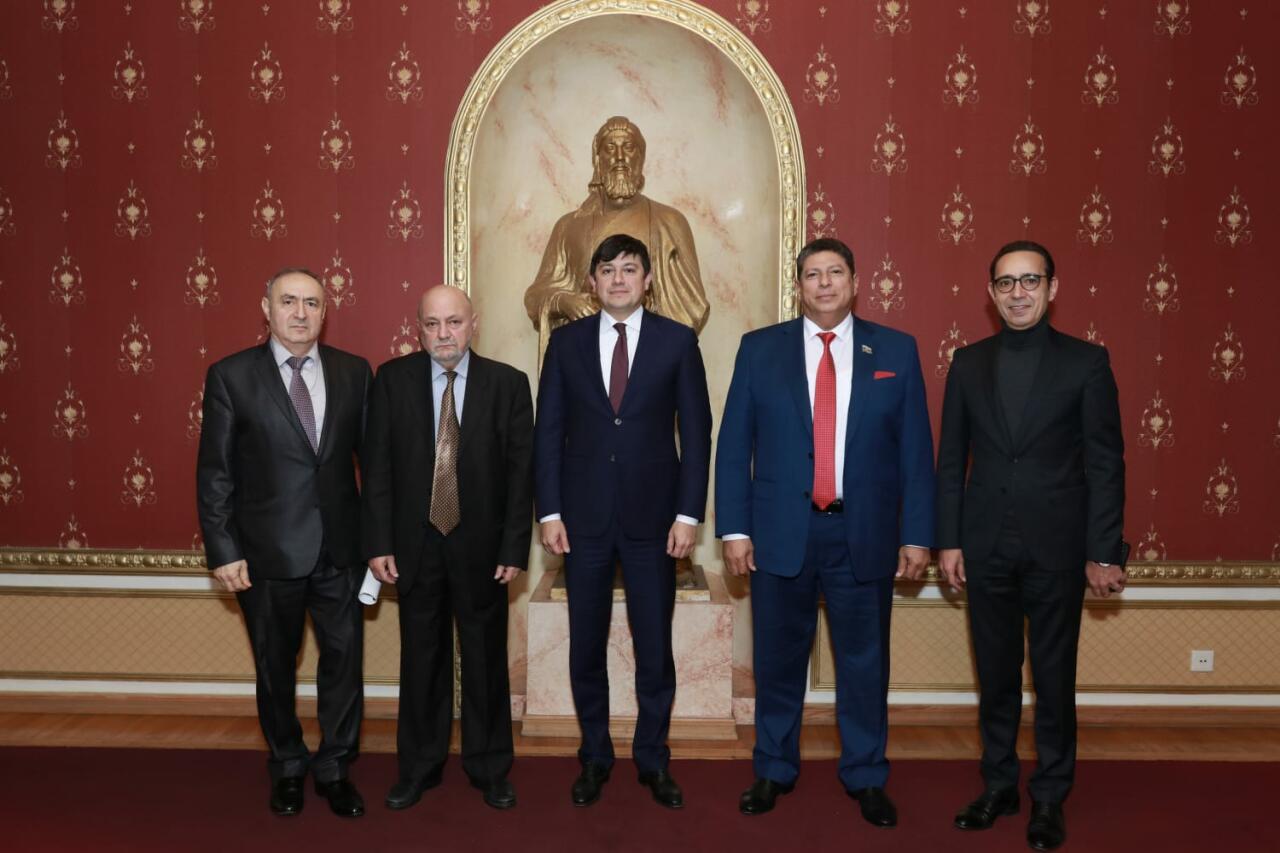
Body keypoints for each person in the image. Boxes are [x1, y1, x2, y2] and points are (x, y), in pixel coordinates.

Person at [715, 237, 935, 827]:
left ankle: (866, 775)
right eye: (813, 274)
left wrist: (917, 535)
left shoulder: (896, 350)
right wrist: (733, 528)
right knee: (777, 660)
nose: (825, 283)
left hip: (863, 534)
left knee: (864, 664)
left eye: (835, 272)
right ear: (799, 287)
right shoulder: (760, 349)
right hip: (779, 534)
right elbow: (734, 447)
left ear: (855, 282)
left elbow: (916, 453)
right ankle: (772, 769)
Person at [936, 240, 1126, 852]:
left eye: (1030, 281)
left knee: (1052, 679)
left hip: (1058, 548)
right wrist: (948, 541)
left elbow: (1106, 463)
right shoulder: (968, 363)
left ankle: (1049, 795)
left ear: (1052, 288)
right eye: (1006, 282)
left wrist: (1104, 551)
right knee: (994, 678)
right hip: (984, 545)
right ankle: (998, 786)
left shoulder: (1087, 363)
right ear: (991, 293)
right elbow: (950, 462)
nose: (1018, 293)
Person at [534, 233, 712, 809]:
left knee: (654, 647)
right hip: (581, 522)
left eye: (629, 269)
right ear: (592, 282)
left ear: (647, 279)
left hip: (655, 524)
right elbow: (547, 432)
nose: (618, 279)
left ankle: (653, 758)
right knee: (585, 646)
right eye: (607, 270)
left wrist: (688, 514)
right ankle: (594, 756)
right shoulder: (565, 344)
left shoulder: (678, 341)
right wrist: (549, 511)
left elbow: (697, 434)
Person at [197, 267, 373, 818]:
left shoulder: (354, 372)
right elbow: (215, 473)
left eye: (312, 303)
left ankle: (335, 767)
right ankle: (289, 765)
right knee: (275, 668)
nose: (300, 313)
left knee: (344, 664)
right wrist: (223, 549)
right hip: (266, 556)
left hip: (341, 553)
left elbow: (375, 466)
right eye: (289, 301)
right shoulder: (231, 376)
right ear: (266, 308)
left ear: (325, 311)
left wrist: (378, 541)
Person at [362, 285, 533, 812]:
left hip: (484, 551)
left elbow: (521, 475)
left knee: (485, 662)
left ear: (473, 324)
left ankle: (490, 768)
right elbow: (377, 468)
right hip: (414, 548)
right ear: (418, 328)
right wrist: (378, 542)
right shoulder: (391, 380)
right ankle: (418, 768)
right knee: (422, 661)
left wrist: (514, 547)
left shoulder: (508, 384)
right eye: (432, 324)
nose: (443, 334)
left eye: (454, 322)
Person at [523, 116, 709, 337]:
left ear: (640, 158)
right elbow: (534, 298)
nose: (619, 157)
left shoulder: (669, 222)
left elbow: (693, 306)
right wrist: (564, 302)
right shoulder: (569, 226)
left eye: (628, 147)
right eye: (610, 148)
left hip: (653, 349)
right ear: (598, 160)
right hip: (585, 348)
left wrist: (646, 329)